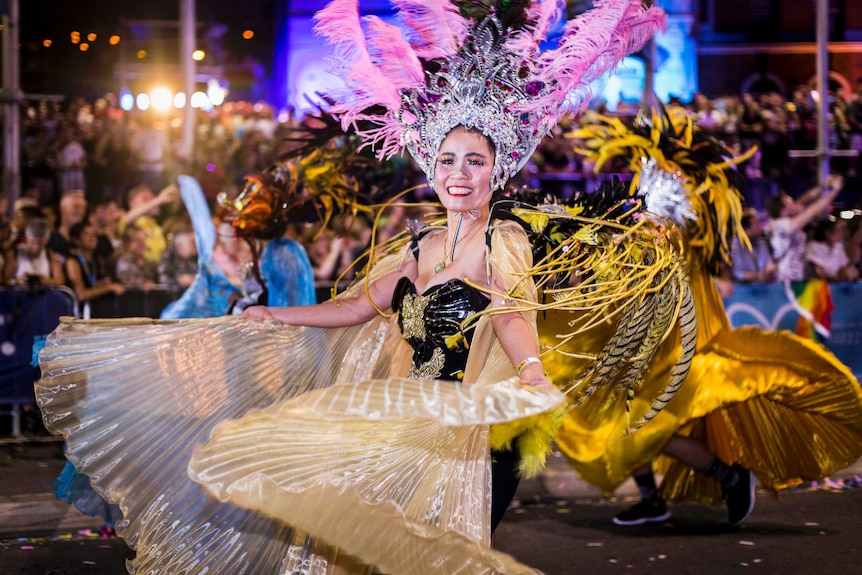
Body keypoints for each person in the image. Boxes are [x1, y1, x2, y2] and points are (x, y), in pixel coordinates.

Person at [34, 2, 665, 573]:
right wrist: (278, 319)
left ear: (497, 168)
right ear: (431, 167)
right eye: (447, 160)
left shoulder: (503, 239)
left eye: (475, 161)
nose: (459, 174)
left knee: (441, 555)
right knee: (374, 546)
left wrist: (528, 368)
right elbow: (360, 305)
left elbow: (507, 311)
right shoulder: (420, 247)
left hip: (472, 433)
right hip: (410, 422)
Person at [552, 106, 862, 528]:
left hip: (662, 333)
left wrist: (616, 237)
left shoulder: (675, 202)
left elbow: (658, 253)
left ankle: (726, 476)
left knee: (641, 421)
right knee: (611, 412)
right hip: (635, 324)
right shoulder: (654, 192)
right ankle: (656, 499)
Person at [765, 176, 844, 283]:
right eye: (791, 204)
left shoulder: (788, 220)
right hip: (780, 282)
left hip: (795, 281)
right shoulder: (778, 225)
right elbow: (812, 212)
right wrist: (834, 191)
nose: (795, 205)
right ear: (783, 211)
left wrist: (824, 186)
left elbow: (806, 199)